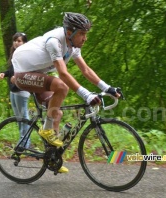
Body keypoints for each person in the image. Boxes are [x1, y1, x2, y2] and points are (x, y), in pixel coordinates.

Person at [12, 12, 120, 173]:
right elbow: (63, 73)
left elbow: (85, 70)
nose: (85, 38)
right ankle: (46, 130)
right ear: (70, 32)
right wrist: (87, 95)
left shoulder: (73, 46)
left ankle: (52, 157)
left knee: (57, 114)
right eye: (82, 34)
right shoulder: (54, 41)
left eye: (86, 34)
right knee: (62, 86)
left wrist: (107, 88)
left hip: (38, 73)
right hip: (22, 74)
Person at [0, 32, 32, 148]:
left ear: (24, 43)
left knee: (24, 117)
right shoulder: (15, 54)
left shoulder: (26, 55)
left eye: (19, 41)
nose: (17, 43)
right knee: (18, 117)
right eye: (15, 40)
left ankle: (25, 143)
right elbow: (12, 70)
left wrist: (18, 78)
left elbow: (28, 70)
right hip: (13, 89)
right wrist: (4, 73)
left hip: (22, 89)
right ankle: (22, 140)